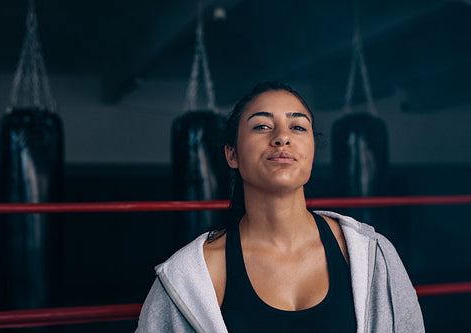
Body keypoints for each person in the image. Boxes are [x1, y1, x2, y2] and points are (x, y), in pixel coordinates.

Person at [135, 81, 424, 332]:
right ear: (231, 154)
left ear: (311, 150)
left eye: (298, 127)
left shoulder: (373, 253)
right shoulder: (189, 275)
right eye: (262, 126)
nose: (282, 137)